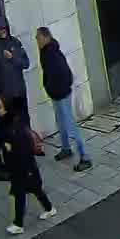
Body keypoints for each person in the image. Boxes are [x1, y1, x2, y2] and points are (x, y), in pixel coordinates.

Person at [0, 96, 55, 234]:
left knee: (20, 193)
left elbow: (23, 149)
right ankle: (49, 208)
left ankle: (18, 224)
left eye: (0, 107)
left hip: (23, 167)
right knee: (35, 189)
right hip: (19, 167)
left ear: (7, 108)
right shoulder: (6, 122)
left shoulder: (16, 126)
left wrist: (9, 148)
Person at [35, 27, 90, 172]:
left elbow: (65, 73)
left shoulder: (53, 53)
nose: (37, 40)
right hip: (56, 94)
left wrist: (59, 90)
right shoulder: (46, 52)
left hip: (61, 94)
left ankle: (85, 157)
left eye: (38, 37)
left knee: (70, 126)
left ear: (46, 37)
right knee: (61, 123)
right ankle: (66, 148)